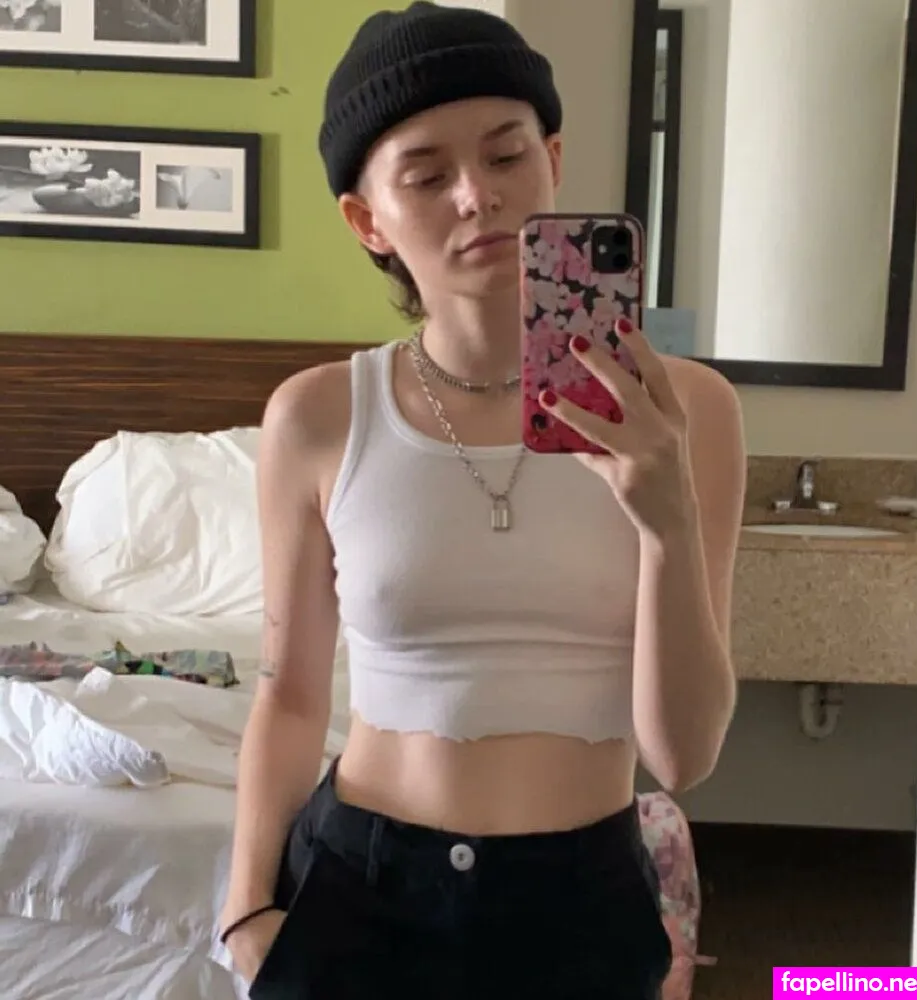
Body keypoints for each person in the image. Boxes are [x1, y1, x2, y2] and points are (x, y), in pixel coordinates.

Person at [219, 3, 745, 997]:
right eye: (426, 176)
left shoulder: (690, 412)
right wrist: (246, 909)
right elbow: (288, 695)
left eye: (506, 155)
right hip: (360, 889)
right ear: (366, 220)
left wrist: (666, 522)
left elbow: (683, 755)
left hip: (580, 902)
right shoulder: (318, 416)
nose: (477, 195)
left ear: (553, 160)